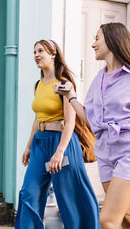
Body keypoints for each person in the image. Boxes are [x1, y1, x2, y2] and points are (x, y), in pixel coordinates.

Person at [53, 22, 130, 229]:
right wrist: (71, 96)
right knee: (128, 218)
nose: (93, 44)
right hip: (105, 154)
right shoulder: (99, 79)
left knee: (107, 220)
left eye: (97, 38)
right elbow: (92, 120)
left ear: (112, 40)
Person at [15, 39, 101, 229]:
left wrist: (60, 151)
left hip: (63, 143)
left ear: (53, 54)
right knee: (29, 193)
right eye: (34, 51)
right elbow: (38, 119)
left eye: (41, 51)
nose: (36, 55)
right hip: (40, 143)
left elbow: (70, 122)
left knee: (70, 197)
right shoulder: (38, 85)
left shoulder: (64, 84)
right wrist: (29, 146)